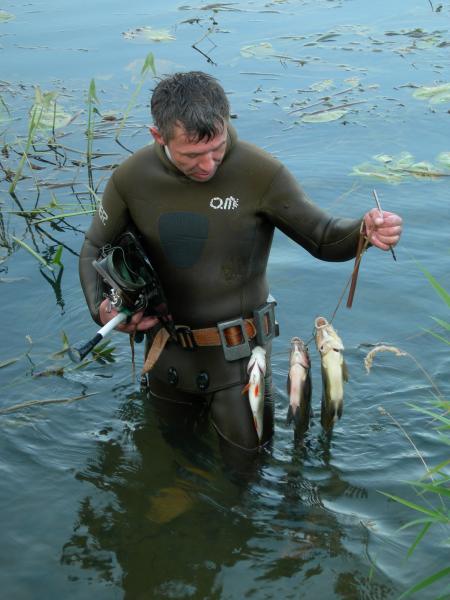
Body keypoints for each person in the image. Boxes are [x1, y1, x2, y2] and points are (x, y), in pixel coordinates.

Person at [79, 71, 402, 461]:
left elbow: (322, 237)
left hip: (239, 364)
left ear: (227, 121)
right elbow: (95, 246)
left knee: (246, 476)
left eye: (216, 148)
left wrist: (364, 232)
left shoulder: (261, 173)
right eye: (191, 155)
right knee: (167, 463)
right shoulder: (132, 178)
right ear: (158, 136)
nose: (208, 164)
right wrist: (103, 308)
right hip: (166, 357)